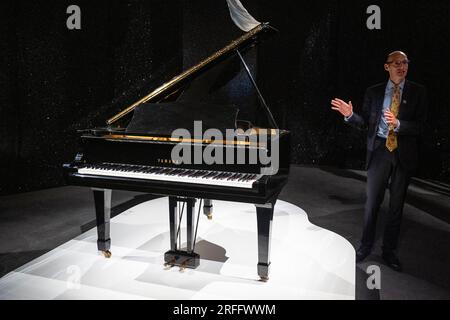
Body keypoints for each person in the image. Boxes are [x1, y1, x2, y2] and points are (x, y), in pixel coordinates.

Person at [330, 51, 427, 272]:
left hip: (403, 153)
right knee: (372, 204)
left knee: (396, 207)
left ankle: (389, 251)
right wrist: (350, 115)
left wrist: (400, 123)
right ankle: (365, 246)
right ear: (387, 67)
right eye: (397, 63)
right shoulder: (373, 92)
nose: (402, 66)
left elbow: (421, 127)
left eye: (405, 63)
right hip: (380, 151)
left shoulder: (418, 92)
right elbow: (365, 123)